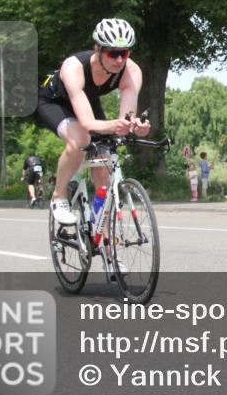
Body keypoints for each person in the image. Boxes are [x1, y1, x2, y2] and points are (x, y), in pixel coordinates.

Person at [35, 18, 150, 276]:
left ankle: (107, 249)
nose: (119, 60)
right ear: (98, 49)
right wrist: (113, 126)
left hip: (88, 101)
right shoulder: (73, 67)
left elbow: (126, 118)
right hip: (54, 101)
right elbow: (87, 124)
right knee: (81, 140)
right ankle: (59, 197)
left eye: (124, 53)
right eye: (113, 53)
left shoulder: (131, 72)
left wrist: (135, 126)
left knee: (104, 172)